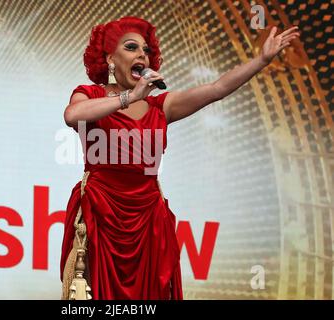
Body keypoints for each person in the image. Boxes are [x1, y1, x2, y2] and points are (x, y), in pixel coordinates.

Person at [60, 16, 299, 300]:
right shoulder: (89, 94)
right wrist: (129, 97)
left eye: (146, 50)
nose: (141, 54)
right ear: (110, 59)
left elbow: (217, 89)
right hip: (102, 213)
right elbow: (72, 116)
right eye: (131, 47)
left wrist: (261, 60)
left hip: (148, 218)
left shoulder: (161, 106)